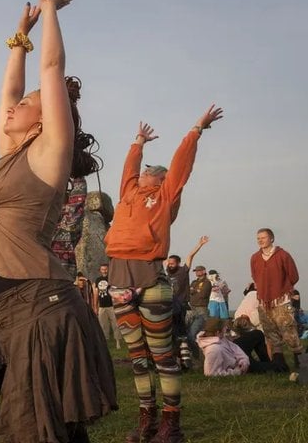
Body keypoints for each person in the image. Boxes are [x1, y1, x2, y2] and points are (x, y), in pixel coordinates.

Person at [0, 0, 115, 443]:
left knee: (31, 428)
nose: (12, 107)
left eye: (26, 104)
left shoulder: (49, 155)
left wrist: (48, 14)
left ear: (45, 120)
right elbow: (8, 92)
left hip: (37, 303)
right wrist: (18, 36)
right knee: (44, 424)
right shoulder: (11, 155)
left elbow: (52, 72)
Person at [105, 97, 223, 442]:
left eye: (147, 171)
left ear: (158, 179)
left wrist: (196, 129)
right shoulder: (127, 193)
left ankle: (172, 424)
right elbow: (128, 168)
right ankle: (147, 419)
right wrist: (137, 143)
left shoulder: (165, 195)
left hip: (150, 278)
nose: (142, 173)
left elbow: (180, 164)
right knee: (138, 359)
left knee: (163, 356)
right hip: (118, 280)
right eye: (142, 171)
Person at [250, 227, 303, 378]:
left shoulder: (283, 255)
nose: (260, 240)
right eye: (258, 238)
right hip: (263, 302)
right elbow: (255, 275)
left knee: (289, 333)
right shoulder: (255, 257)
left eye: (263, 237)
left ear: (271, 239)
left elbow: (293, 275)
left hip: (281, 301)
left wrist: (283, 288)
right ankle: (280, 366)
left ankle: (302, 364)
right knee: (271, 334)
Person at [166, 235, 208, 369]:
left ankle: (192, 360)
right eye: (168, 263)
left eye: (172, 263)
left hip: (183, 307)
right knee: (174, 335)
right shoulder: (167, 274)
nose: (169, 265)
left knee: (184, 336)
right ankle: (180, 360)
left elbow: (190, 256)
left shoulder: (183, 272)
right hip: (170, 308)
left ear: (177, 263)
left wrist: (199, 244)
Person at [93, 263, 122, 349]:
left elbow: (116, 291)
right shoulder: (98, 280)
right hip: (102, 306)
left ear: (108, 269)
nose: (104, 271)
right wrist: (95, 306)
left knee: (115, 324)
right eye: (102, 269)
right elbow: (96, 293)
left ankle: (118, 341)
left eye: (106, 269)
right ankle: (105, 341)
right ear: (100, 270)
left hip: (112, 305)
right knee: (103, 324)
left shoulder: (112, 279)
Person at [187, 265, 213, 359]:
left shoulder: (207, 282)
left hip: (202, 309)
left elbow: (203, 294)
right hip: (192, 308)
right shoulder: (194, 282)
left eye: (198, 271)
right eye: (196, 271)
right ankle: (196, 356)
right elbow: (189, 292)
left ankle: (198, 356)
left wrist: (194, 291)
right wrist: (195, 291)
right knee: (191, 333)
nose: (197, 273)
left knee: (198, 333)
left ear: (203, 271)